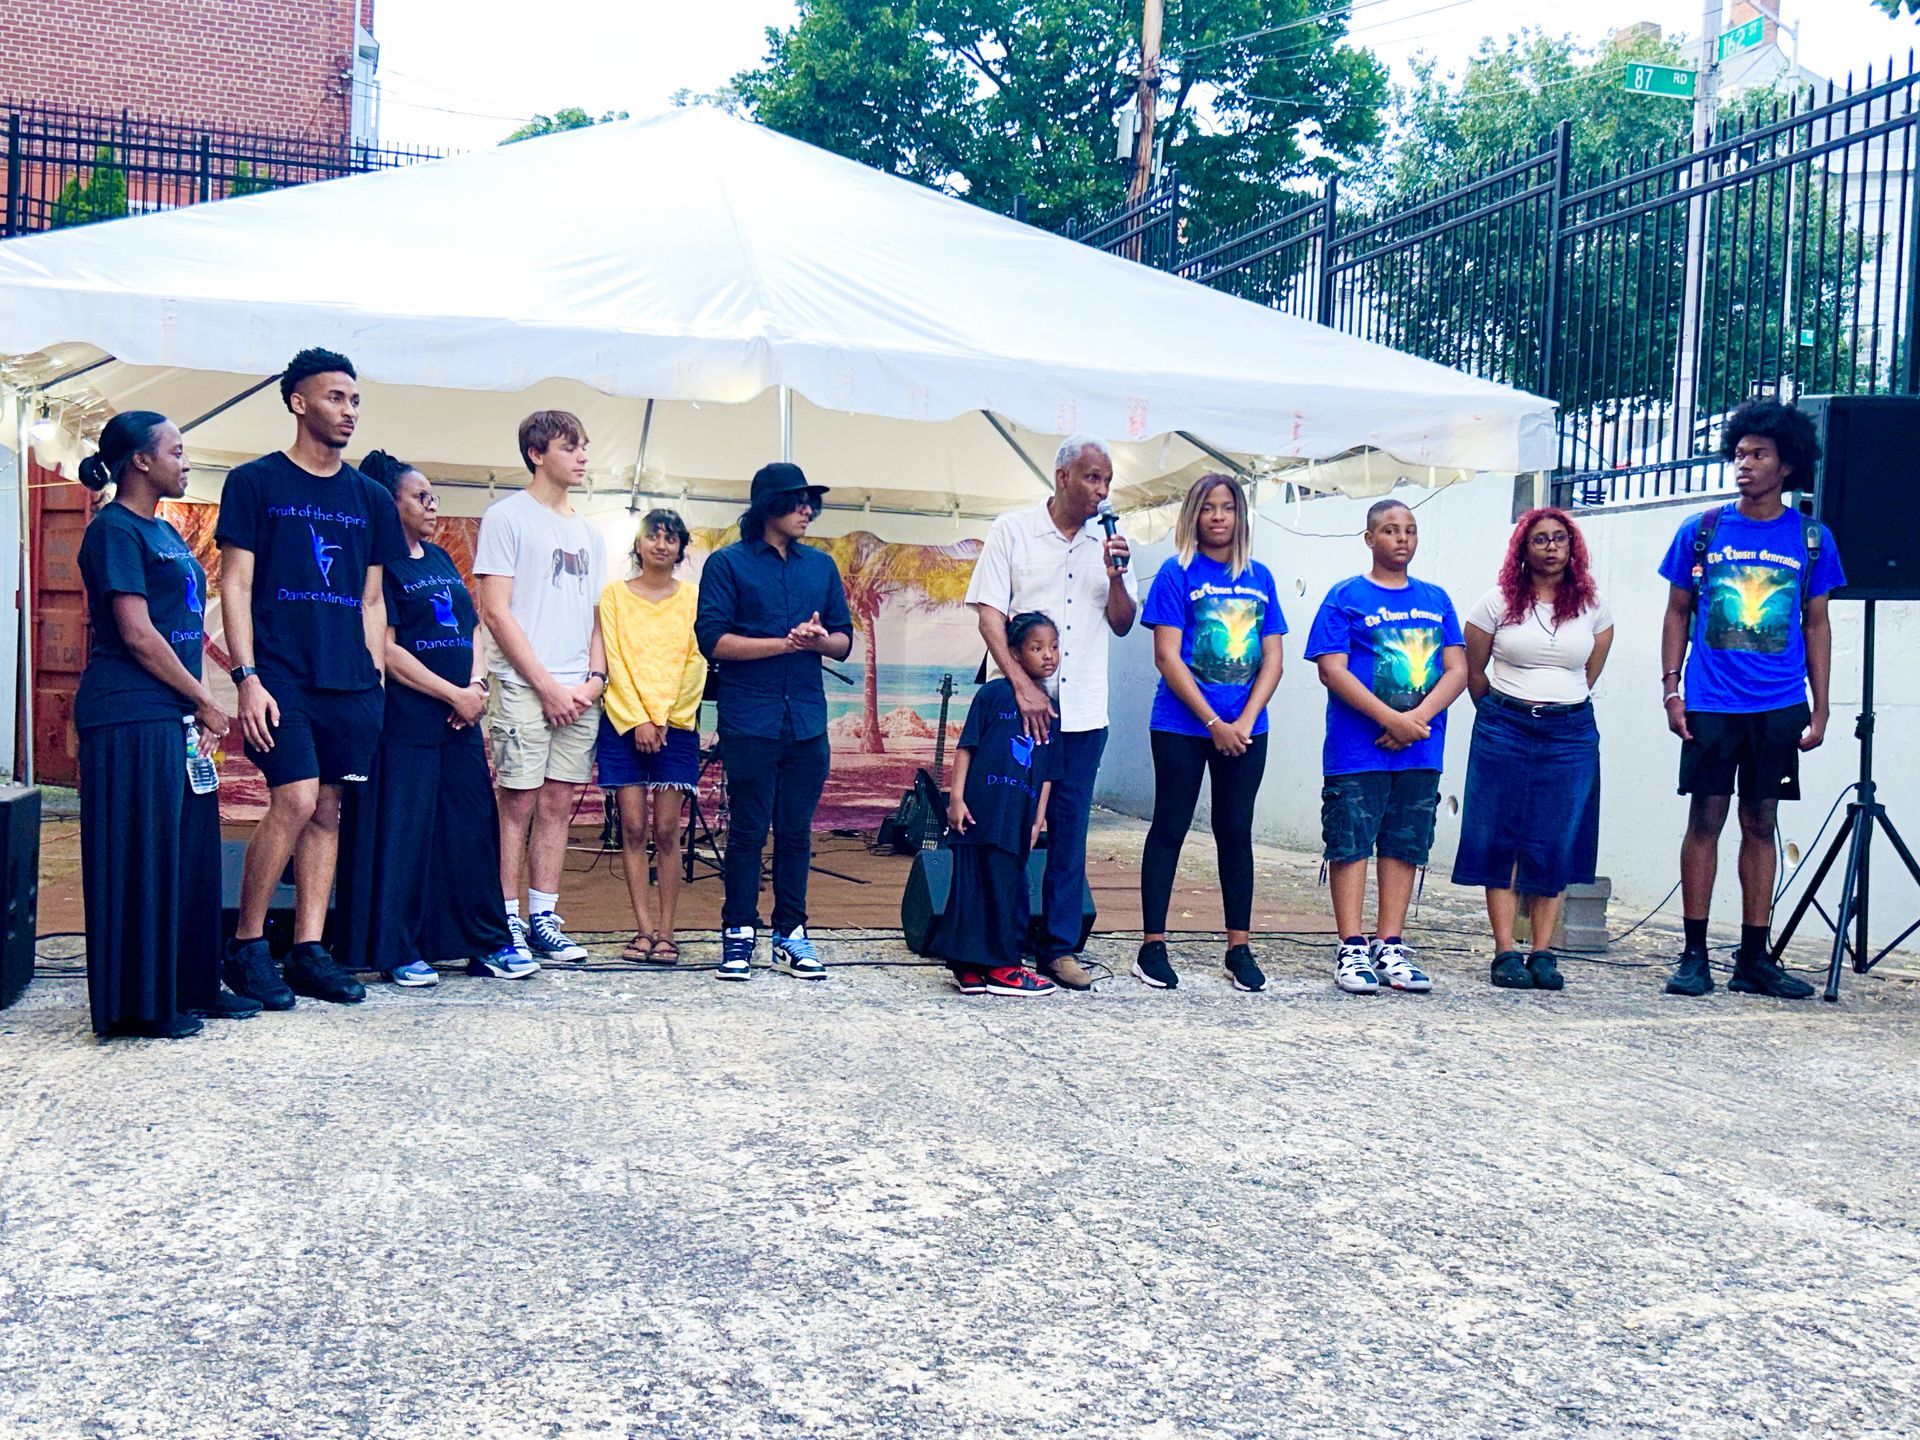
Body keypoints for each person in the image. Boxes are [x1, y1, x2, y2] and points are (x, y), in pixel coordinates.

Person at [218, 348, 405, 1010]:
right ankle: (244, 947)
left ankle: (307, 950)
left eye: (354, 400)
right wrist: (246, 676)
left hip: (351, 683)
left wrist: (375, 677)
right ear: (298, 402)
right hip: (280, 676)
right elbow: (235, 582)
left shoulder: (372, 498)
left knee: (327, 808)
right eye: (334, 398)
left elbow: (372, 598)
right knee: (294, 798)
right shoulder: (254, 483)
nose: (348, 411)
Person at [74, 412, 255, 1039]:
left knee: (189, 857)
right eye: (176, 451)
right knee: (143, 858)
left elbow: (181, 632)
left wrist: (209, 693)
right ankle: (142, 1005)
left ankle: (195, 985)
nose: (186, 460)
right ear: (142, 462)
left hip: (171, 712)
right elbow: (137, 634)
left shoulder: (167, 533)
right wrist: (203, 700)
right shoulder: (113, 531)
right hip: (128, 713)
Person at [1657, 399, 1844, 1000]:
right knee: (1705, 818)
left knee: (1761, 821)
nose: (1745, 464)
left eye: (1758, 454)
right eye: (1739, 453)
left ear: (1786, 465)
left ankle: (1754, 958)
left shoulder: (1812, 538)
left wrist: (1820, 706)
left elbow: (1816, 623)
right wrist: (1671, 688)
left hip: (1778, 703)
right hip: (1711, 701)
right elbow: (1677, 612)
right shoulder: (1703, 530)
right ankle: (1693, 955)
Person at [333, 454, 537, 988]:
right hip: (409, 724)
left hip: (460, 722)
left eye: (433, 497)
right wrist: (449, 693)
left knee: (471, 830)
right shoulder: (377, 566)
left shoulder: (442, 558)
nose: (431, 505)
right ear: (390, 503)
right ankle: (399, 947)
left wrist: (473, 689)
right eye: (420, 497)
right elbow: (386, 648)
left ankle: (485, 940)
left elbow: (471, 628)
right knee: (408, 834)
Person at [964, 434, 1136, 991]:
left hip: (1082, 711)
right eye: (1091, 478)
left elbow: (1123, 621)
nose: (1101, 491)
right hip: (1016, 711)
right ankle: (1000, 946)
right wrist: (1021, 685)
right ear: (1061, 477)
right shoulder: (1012, 530)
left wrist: (1115, 577)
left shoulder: (1109, 544)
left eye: (1107, 481)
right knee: (1007, 827)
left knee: (1068, 831)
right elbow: (990, 614)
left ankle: (1059, 949)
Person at [694, 462, 853, 982]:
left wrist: (816, 640)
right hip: (750, 718)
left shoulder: (821, 567)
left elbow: (844, 642)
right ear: (768, 506)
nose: (808, 509)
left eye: (812, 500)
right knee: (746, 830)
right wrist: (784, 643)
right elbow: (713, 642)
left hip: (806, 719)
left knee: (796, 832)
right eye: (797, 500)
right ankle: (738, 932)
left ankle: (792, 934)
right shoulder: (727, 564)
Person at [1304, 498, 1467, 996]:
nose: (1402, 539)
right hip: (1359, 750)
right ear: (1369, 539)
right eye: (1391, 530)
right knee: (1351, 842)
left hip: (1419, 749)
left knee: (1405, 842)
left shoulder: (1437, 598)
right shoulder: (1344, 597)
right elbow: (1331, 668)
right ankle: (1351, 944)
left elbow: (1457, 669)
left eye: (1410, 531)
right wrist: (1390, 718)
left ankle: (1390, 942)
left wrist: (1415, 720)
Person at [1135, 473, 1286, 993]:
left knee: (1234, 832)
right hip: (1182, 725)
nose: (1218, 516)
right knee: (1170, 827)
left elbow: (1274, 658)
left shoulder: (1260, 577)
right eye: (1208, 508)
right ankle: (1152, 944)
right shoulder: (1175, 573)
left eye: (1227, 508)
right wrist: (1212, 723)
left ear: (1240, 516)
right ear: (1193, 516)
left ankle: (1238, 947)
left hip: (1246, 730)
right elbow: (1166, 656)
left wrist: (1242, 723)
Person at [1454, 508, 1614, 991]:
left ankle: (1543, 953)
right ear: (1523, 548)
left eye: (1559, 539)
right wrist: (1504, 712)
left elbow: (1590, 669)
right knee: (1499, 836)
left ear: (1573, 547)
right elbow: (1473, 669)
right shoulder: (1496, 601)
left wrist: (1556, 705)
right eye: (1540, 539)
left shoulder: (1594, 606)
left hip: (1570, 734)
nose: (1550, 547)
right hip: (1505, 726)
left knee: (1554, 839)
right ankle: (1505, 951)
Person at [473, 410, 609, 966]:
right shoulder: (506, 517)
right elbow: (495, 612)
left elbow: (600, 618)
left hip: (578, 689)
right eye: (570, 446)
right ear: (536, 453)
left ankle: (544, 917)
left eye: (584, 446)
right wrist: (547, 685)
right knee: (518, 803)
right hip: (523, 684)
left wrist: (593, 681)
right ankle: (505, 921)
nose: (582, 456)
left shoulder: (590, 532)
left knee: (557, 803)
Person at [931, 612, 1064, 998]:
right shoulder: (990, 695)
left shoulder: (1050, 708)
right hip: (977, 812)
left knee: (1006, 888)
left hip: (1016, 818)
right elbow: (966, 747)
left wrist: (1038, 819)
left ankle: (1001, 963)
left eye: (1054, 647)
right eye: (1037, 647)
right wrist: (955, 799)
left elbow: (1048, 772)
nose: (1048, 655)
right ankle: (972, 967)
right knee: (969, 888)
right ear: (1015, 654)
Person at [598, 509, 707, 964]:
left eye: (670, 538)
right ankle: (641, 930)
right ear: (638, 545)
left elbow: (695, 662)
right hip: (624, 723)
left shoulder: (694, 599)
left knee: (666, 831)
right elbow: (613, 661)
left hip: (675, 727)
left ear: (681, 548)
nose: (661, 545)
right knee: (633, 828)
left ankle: (668, 931)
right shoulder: (614, 597)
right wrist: (639, 719)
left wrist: (662, 719)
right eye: (652, 537)